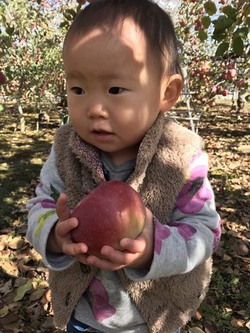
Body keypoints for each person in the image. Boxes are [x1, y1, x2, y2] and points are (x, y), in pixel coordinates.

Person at [26, 0, 221, 332]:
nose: (95, 108)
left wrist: (153, 250)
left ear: (167, 92)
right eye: (78, 89)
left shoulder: (181, 158)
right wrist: (53, 236)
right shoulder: (65, 152)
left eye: (115, 89)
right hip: (82, 316)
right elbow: (40, 205)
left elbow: (206, 231)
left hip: (152, 318)